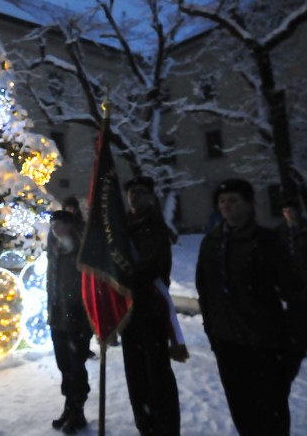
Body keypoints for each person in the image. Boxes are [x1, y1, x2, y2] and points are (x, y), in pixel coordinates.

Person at [196, 179, 307, 436]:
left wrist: (294, 349)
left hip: (265, 344)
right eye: (222, 201)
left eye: (234, 200)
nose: (226, 206)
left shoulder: (267, 241)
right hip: (228, 344)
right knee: (243, 412)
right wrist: (212, 332)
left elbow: (296, 296)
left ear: (249, 204)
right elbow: (205, 291)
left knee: (271, 415)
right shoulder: (211, 243)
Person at [121, 175, 185, 436]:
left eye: (140, 192)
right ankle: (145, 426)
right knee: (135, 375)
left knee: (157, 375)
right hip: (127, 312)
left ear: (150, 196)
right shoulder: (121, 227)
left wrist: (124, 280)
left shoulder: (156, 228)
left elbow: (152, 268)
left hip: (150, 309)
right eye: (131, 192)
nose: (134, 197)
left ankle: (166, 429)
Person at [47, 207, 93, 434]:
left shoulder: (80, 250)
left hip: (77, 318)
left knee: (76, 365)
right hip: (58, 317)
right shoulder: (55, 249)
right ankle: (69, 407)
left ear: (69, 225)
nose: (54, 228)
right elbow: (52, 283)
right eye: (52, 225)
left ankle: (78, 411)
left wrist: (83, 316)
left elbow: (89, 285)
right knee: (64, 365)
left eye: (58, 224)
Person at [276, 198, 307, 355]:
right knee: (295, 313)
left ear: (298, 212)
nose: (288, 214)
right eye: (285, 211)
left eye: (291, 211)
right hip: (290, 280)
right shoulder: (280, 231)